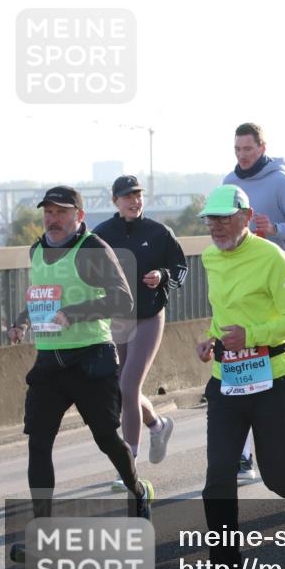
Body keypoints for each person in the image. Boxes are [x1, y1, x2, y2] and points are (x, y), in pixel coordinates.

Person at [195, 184, 285, 569]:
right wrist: (210, 338)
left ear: (245, 216)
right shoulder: (208, 257)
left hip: (271, 375)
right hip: (226, 378)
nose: (216, 227)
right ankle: (227, 568)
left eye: (224, 218)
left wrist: (253, 334)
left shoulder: (271, 256)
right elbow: (223, 315)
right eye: (210, 219)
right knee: (218, 477)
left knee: (275, 475)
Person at [8, 186, 152, 561]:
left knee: (107, 438)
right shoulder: (37, 250)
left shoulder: (92, 249)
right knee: (38, 443)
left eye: (61, 213)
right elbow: (43, 296)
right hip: (50, 363)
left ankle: (137, 490)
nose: (53, 220)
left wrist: (75, 313)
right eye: (48, 213)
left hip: (91, 360)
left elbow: (123, 299)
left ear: (79, 217)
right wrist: (22, 321)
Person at [223, 122, 285, 481]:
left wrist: (274, 230)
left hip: (278, 287)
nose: (242, 156)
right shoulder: (227, 185)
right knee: (244, 363)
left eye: (247, 149)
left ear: (262, 148)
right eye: (237, 149)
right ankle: (245, 456)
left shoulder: (280, 181)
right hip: (242, 288)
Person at [93, 175, 187, 491]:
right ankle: (157, 425)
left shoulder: (159, 232)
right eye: (127, 196)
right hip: (118, 319)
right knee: (124, 389)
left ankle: (128, 465)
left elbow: (181, 268)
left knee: (128, 383)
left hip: (149, 316)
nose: (134, 201)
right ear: (115, 201)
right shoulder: (102, 234)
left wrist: (162, 275)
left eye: (137, 195)